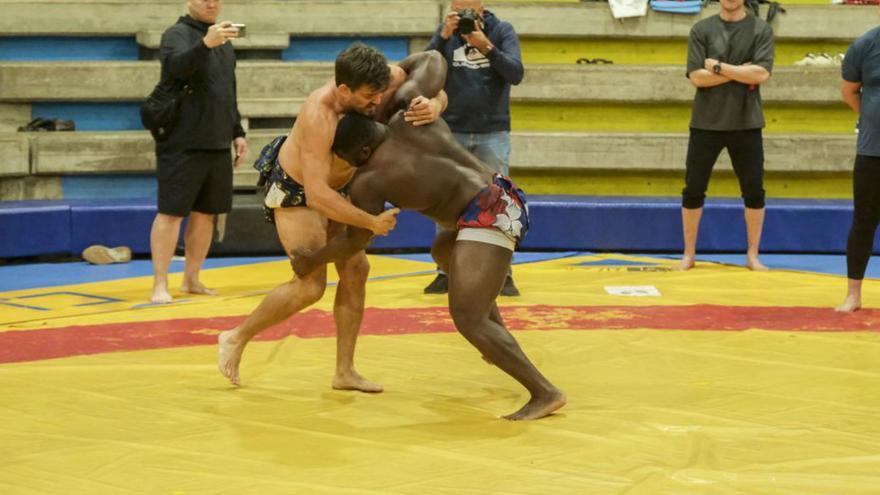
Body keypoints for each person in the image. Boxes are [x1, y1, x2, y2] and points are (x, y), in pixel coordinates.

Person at [290, 109, 566, 421]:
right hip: (502, 192)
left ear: (363, 151)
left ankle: (545, 392)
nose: (345, 165)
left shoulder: (368, 180)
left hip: (488, 216)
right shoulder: (409, 119)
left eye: (345, 157)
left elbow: (356, 241)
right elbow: (433, 61)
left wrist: (311, 261)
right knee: (443, 250)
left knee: (468, 319)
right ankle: (495, 338)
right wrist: (433, 100)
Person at [217, 45, 449, 392]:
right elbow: (316, 194)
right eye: (369, 97)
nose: (377, 103)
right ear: (344, 91)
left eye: (380, 94)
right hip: (300, 191)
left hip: (342, 184)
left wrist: (435, 106)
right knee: (310, 285)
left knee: (357, 270)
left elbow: (435, 79)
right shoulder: (319, 114)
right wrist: (371, 222)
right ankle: (236, 337)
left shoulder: (383, 78)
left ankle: (345, 371)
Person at [423, 0, 524, 296]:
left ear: (482, 5)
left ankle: (503, 273)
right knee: (446, 200)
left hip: (492, 130)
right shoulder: (447, 32)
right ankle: (445, 270)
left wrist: (486, 46)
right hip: (451, 130)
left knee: (498, 202)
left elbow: (516, 73)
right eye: (459, 5)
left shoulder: (502, 30)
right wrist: (442, 36)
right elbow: (426, 71)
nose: (464, 10)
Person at [149, 0, 248, 304]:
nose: (211, 2)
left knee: (206, 215)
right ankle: (160, 283)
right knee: (171, 214)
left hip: (217, 140)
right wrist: (206, 44)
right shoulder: (176, 34)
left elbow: (227, 89)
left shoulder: (224, 41)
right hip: (182, 141)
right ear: (188, 1)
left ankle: (192, 278)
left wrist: (237, 131)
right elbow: (176, 68)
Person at [679, 0, 774, 271]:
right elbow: (697, 77)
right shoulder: (701, 29)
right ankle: (689, 253)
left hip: (747, 123)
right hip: (705, 123)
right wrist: (741, 72)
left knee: (754, 191)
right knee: (694, 188)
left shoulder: (760, 29)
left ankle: (753, 254)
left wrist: (718, 67)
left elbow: (761, 73)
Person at [836, 24, 880, 312]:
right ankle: (853, 294)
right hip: (872, 151)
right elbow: (849, 92)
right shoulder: (865, 44)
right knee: (863, 221)